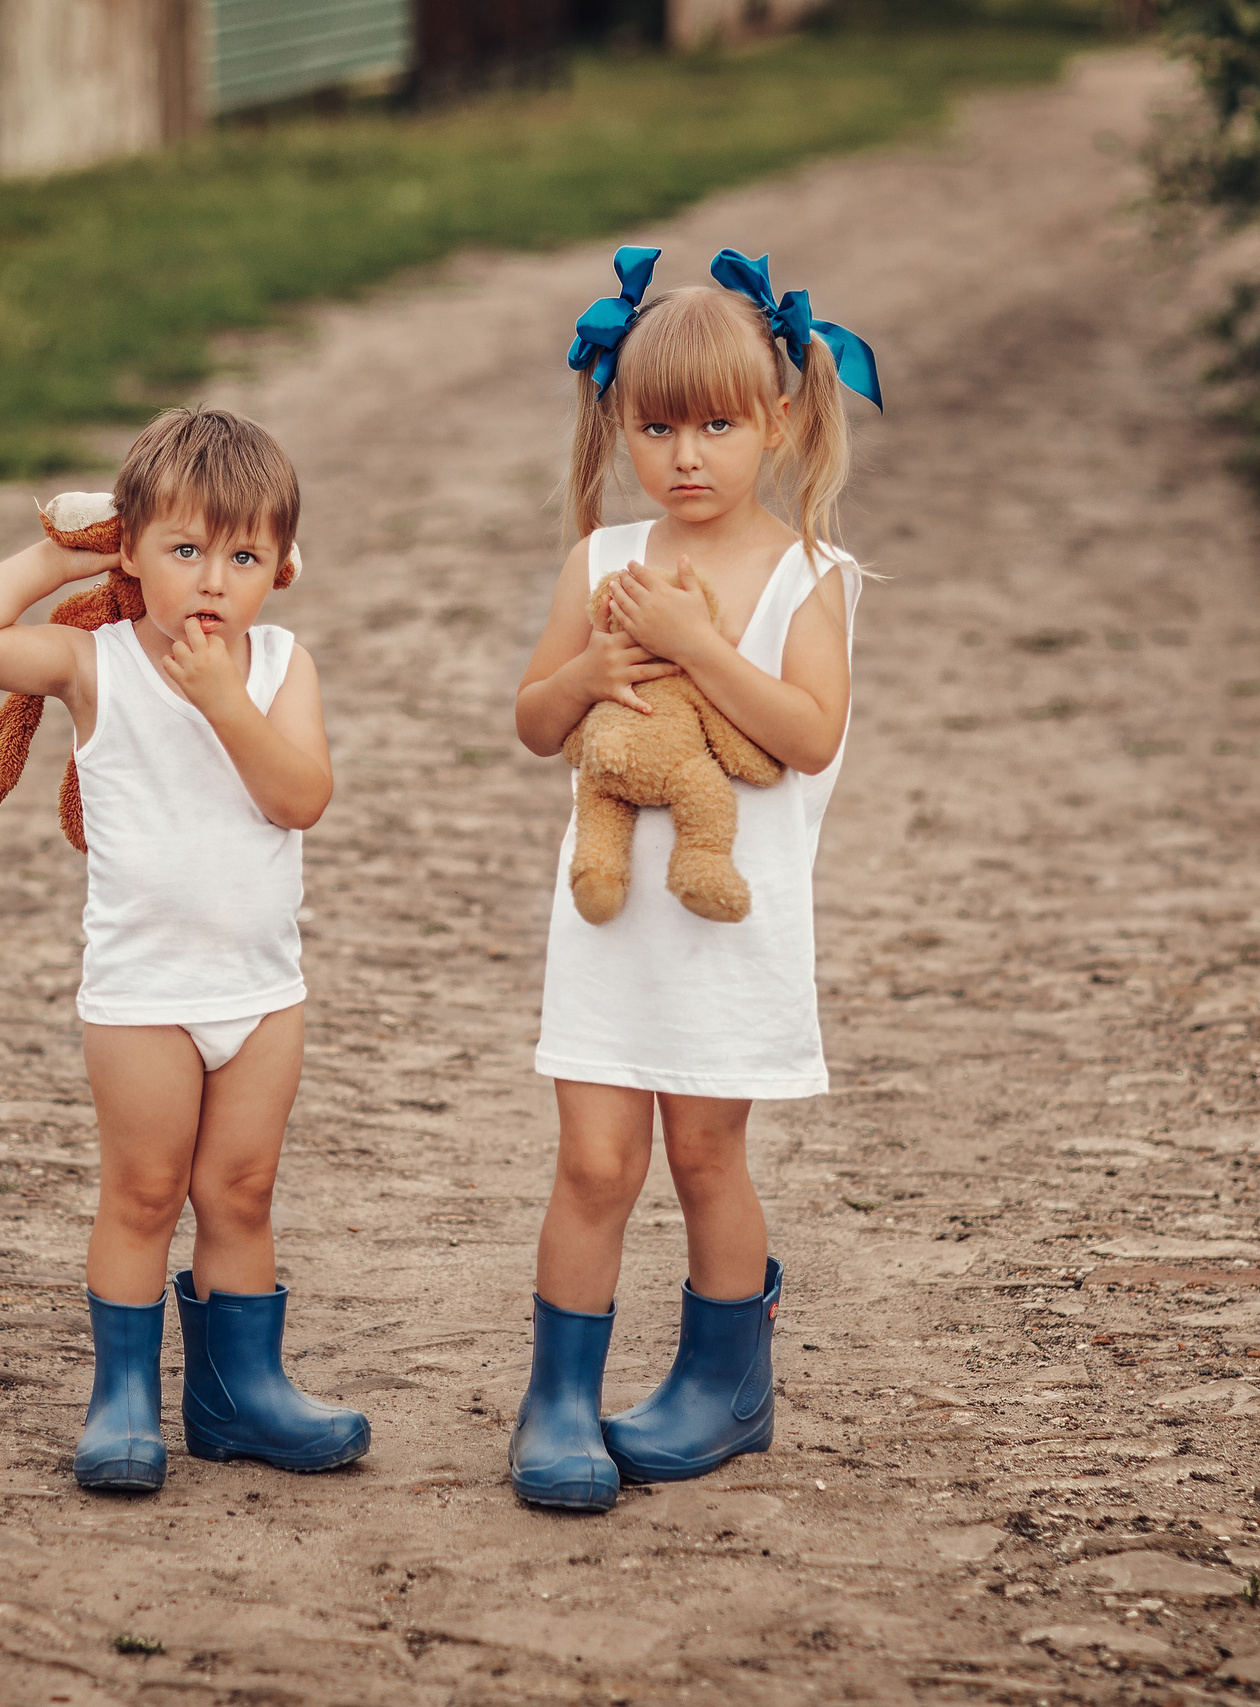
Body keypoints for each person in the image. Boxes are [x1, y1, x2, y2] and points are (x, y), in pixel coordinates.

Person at [0, 406, 369, 1492]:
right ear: (130, 550)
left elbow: (300, 797)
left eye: (243, 557)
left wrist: (226, 703)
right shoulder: (96, 664)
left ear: (282, 566)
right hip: (143, 1000)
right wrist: (62, 551)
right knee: (142, 1193)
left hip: (260, 994)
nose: (212, 581)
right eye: (183, 550)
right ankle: (122, 1400)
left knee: (241, 1192)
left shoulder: (280, 666)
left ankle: (238, 1395)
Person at [506, 247, 881, 1511]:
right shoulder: (601, 560)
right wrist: (590, 675)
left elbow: (807, 735)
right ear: (620, 426)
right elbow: (535, 722)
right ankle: (559, 1401)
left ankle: (724, 1388)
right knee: (593, 1164)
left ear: (776, 422)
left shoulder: (808, 577)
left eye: (717, 426)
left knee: (708, 1159)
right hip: (609, 924)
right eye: (656, 427)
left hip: (728, 930)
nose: (685, 456)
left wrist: (690, 645)